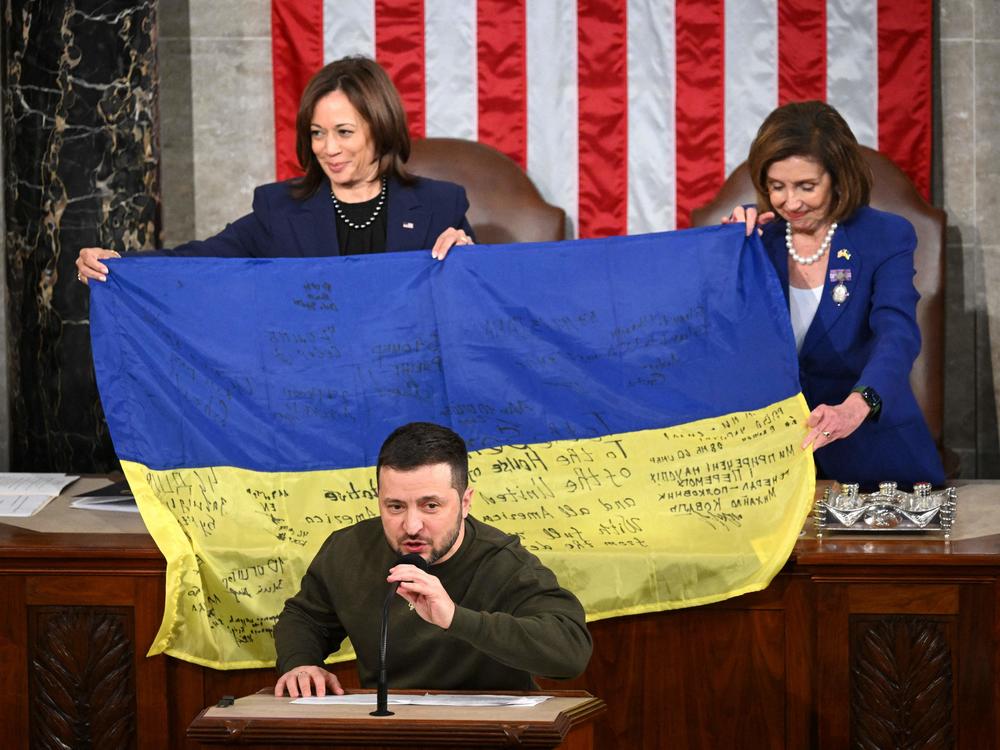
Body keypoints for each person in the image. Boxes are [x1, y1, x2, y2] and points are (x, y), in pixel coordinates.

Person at [76, 56, 474, 283]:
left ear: (381, 129)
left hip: (413, 388)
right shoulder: (279, 209)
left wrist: (473, 261)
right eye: (317, 133)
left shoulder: (441, 205)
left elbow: (490, 296)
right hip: (313, 389)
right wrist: (119, 264)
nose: (328, 148)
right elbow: (200, 258)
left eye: (344, 132)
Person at [272, 422, 592, 697]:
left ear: (465, 503)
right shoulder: (349, 549)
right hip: (388, 729)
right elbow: (305, 618)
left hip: (490, 732)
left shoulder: (504, 562)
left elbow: (571, 652)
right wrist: (301, 663)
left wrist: (455, 617)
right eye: (395, 506)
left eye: (431, 506)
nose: (411, 526)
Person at [725, 101, 944, 488]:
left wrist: (858, 406)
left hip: (871, 450)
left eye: (806, 186)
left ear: (839, 178)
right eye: (777, 187)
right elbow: (717, 338)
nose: (790, 202)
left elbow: (898, 334)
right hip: (771, 462)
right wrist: (724, 253)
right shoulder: (754, 239)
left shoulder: (885, 236)